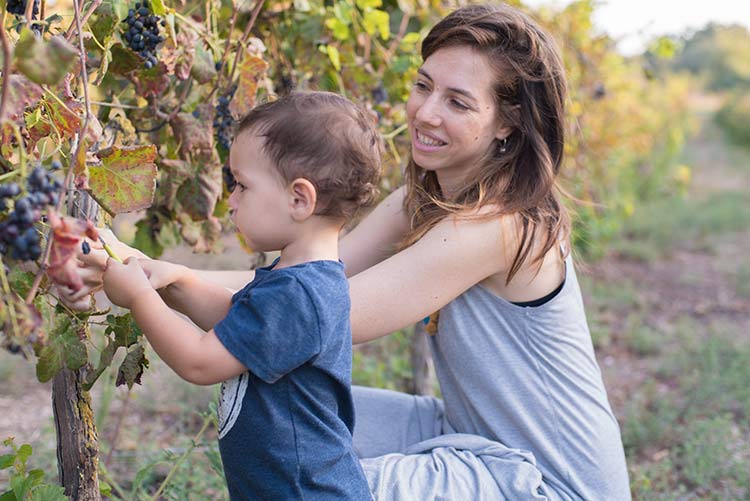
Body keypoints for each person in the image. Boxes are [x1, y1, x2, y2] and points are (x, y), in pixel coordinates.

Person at [65, 4, 631, 499]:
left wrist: (154, 287)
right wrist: (164, 272)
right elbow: (312, 279)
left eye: (458, 102)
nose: (426, 113)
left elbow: (322, 311)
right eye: (423, 85)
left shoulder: (499, 225)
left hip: (551, 483)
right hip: (471, 432)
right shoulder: (428, 194)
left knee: (315, 480)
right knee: (283, 417)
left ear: (508, 123)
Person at [98, 91, 380, 500]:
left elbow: (198, 362)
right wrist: (178, 283)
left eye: (242, 186)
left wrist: (140, 297)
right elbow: (241, 320)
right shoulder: (301, 280)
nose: (230, 201)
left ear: (299, 199)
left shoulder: (300, 295)